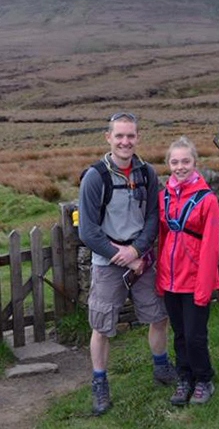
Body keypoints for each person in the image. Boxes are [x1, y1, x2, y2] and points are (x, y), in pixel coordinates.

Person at [78, 111, 176, 416]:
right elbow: (88, 230)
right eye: (119, 135)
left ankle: (161, 367)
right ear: (108, 137)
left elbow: (151, 218)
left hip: (141, 259)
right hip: (108, 263)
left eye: (130, 135)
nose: (125, 141)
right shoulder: (95, 177)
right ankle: (100, 383)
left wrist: (136, 252)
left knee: (158, 316)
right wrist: (119, 255)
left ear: (137, 137)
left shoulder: (147, 173)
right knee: (102, 326)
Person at [156, 136, 219, 406]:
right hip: (170, 280)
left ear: (195, 162)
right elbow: (161, 238)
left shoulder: (208, 200)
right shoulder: (163, 197)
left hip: (195, 281)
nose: (180, 167)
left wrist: (204, 288)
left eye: (185, 161)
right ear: (168, 164)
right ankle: (185, 378)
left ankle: (204, 379)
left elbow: (210, 248)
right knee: (180, 335)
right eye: (175, 162)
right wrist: (160, 279)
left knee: (195, 336)